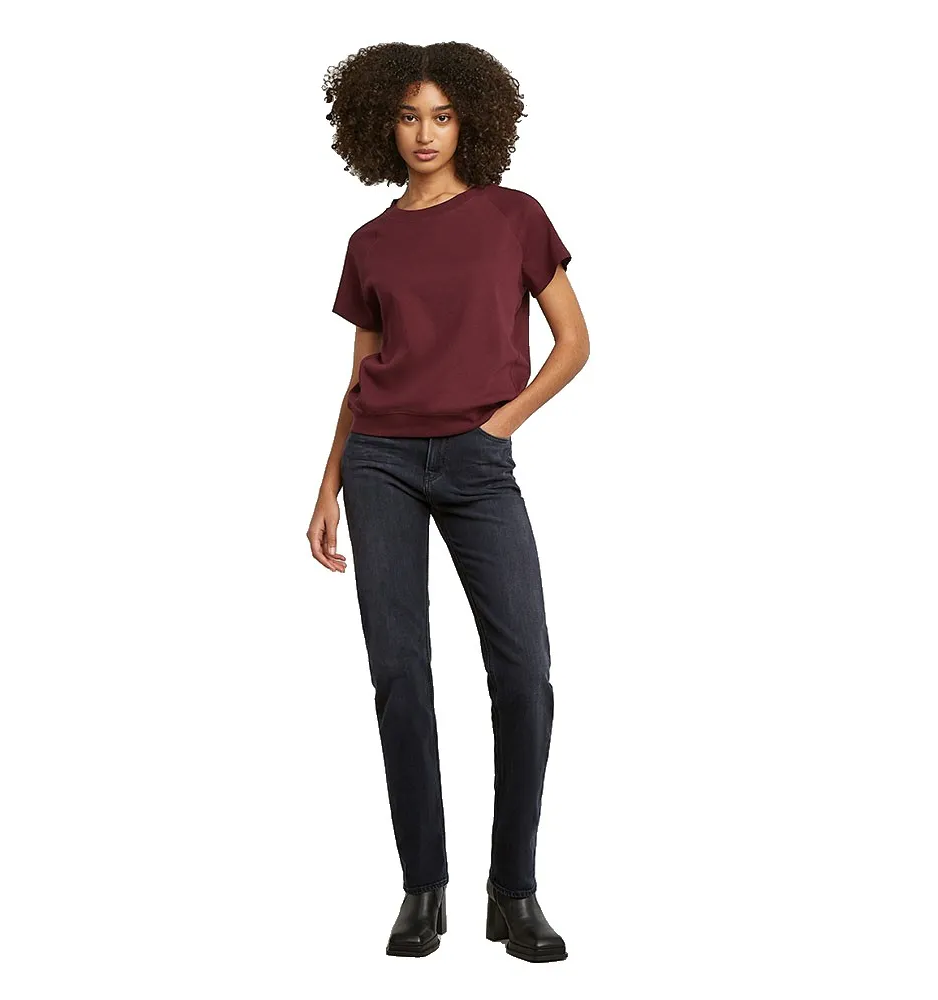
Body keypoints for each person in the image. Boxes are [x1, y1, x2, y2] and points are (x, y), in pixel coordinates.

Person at [309, 41, 589, 962]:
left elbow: (574, 341)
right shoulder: (370, 243)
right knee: (400, 673)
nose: (425, 134)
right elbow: (360, 376)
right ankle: (422, 885)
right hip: (380, 464)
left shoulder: (514, 216)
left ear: (470, 119)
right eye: (407, 116)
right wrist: (327, 486)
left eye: (441, 115)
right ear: (381, 126)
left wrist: (498, 427)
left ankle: (515, 889)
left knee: (525, 675)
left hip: (478, 462)